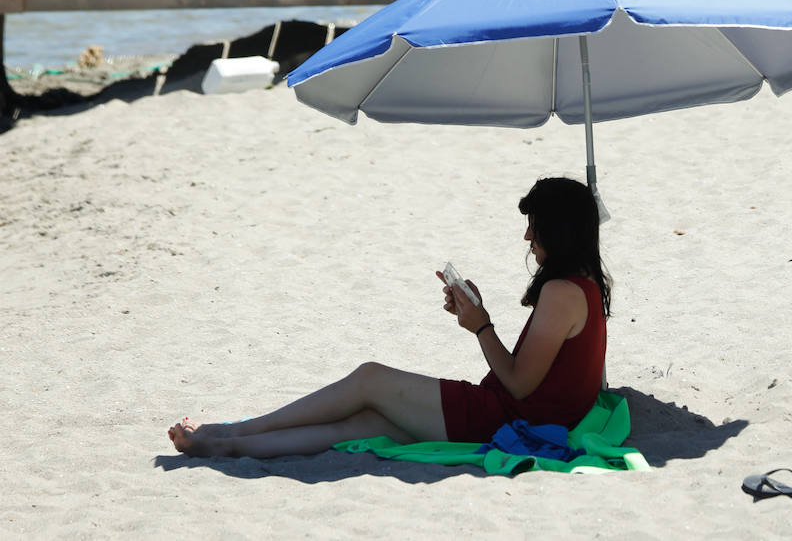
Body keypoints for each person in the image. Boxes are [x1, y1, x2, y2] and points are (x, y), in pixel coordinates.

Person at [168, 177, 610, 459]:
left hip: (507, 418)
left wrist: (480, 326)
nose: (528, 235)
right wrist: (477, 319)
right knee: (360, 424)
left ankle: (235, 429)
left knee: (369, 379)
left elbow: (518, 383)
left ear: (560, 230)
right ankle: (229, 447)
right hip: (523, 414)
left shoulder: (561, 292)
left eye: (536, 225)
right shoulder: (584, 281)